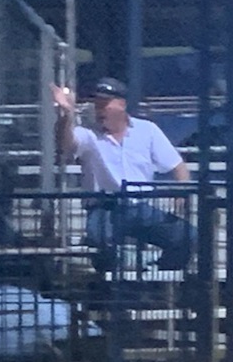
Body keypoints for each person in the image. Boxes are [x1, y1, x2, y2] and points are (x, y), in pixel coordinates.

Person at [50, 75, 193, 272]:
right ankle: (112, 285)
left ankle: (158, 276)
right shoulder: (89, 133)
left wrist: (181, 192)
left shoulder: (147, 130)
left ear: (122, 104)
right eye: (97, 104)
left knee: (188, 236)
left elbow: (178, 166)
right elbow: (65, 145)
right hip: (104, 206)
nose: (99, 109)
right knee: (98, 240)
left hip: (140, 206)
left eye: (105, 104)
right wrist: (66, 114)